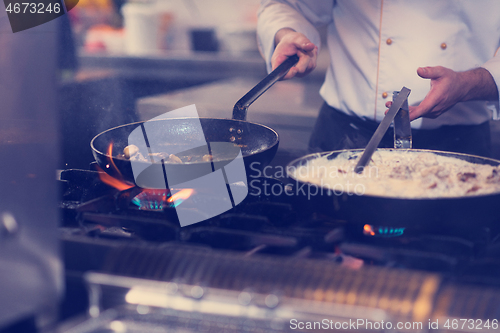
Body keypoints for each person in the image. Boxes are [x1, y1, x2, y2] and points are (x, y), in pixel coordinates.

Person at [257, 0, 500, 157]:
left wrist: (470, 84)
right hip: (344, 138)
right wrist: (286, 32)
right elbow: (286, 5)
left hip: (456, 148)